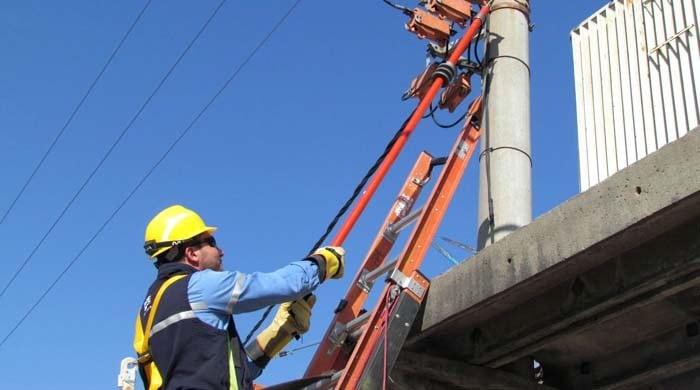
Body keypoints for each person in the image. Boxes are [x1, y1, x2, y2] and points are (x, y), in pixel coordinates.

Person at [133, 205, 345, 390]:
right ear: (192, 253)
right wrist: (324, 262)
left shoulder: (147, 312)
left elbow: (224, 376)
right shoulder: (200, 286)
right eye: (212, 242)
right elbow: (283, 285)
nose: (221, 251)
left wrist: (279, 333)